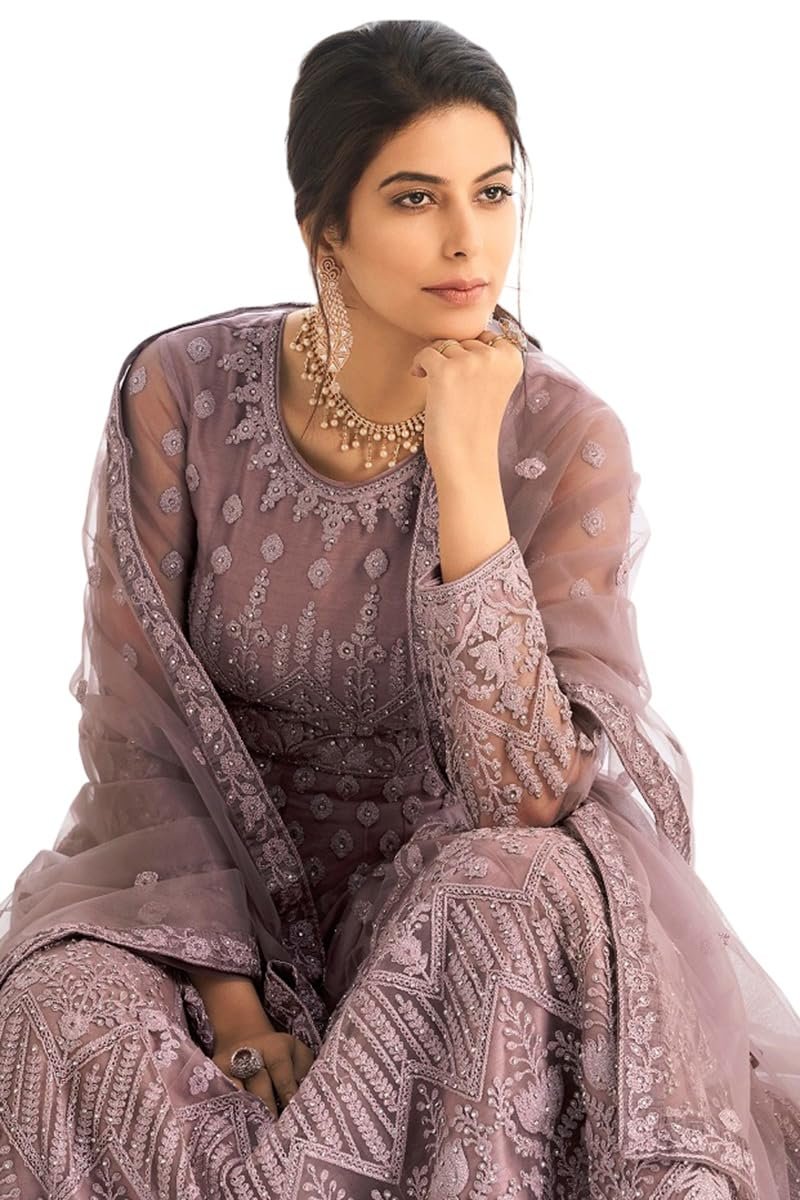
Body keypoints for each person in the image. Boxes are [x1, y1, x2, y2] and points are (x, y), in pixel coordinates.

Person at [0, 18, 798, 1200]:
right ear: (322, 226)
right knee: (57, 1009)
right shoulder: (180, 396)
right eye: (416, 198)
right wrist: (231, 1002)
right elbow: (136, 729)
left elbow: (524, 794)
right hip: (199, 897)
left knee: (515, 883)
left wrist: (465, 466)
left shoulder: (563, 437)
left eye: (493, 193)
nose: (469, 241)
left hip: (449, 906)